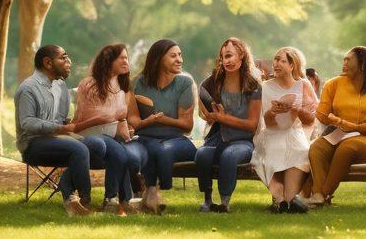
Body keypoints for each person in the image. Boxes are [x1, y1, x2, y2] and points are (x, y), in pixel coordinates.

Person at [14, 44, 92, 216]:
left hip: (57, 139)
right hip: (32, 144)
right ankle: (84, 201)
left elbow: (62, 118)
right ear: (48, 63)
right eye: (63, 58)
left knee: (97, 145)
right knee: (78, 149)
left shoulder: (60, 86)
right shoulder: (28, 88)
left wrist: (70, 123)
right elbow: (27, 122)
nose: (69, 61)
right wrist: (59, 128)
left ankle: (68, 190)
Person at [308, 46, 366, 207]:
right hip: (337, 136)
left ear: (362, 64)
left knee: (347, 147)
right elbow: (321, 115)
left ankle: (322, 194)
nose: (343, 63)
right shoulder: (333, 84)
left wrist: (345, 124)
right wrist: (333, 120)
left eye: (348, 60)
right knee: (317, 147)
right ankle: (318, 195)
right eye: (343, 59)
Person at [74, 43, 147, 215]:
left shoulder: (120, 89)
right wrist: (115, 118)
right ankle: (115, 200)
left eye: (127, 57)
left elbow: (119, 120)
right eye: (122, 57)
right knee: (119, 153)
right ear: (109, 60)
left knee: (127, 153)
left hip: (109, 137)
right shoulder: (89, 84)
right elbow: (89, 116)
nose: (126, 61)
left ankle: (119, 200)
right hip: (90, 135)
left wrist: (127, 133)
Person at [127, 38, 196, 213]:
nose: (179, 59)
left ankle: (156, 190)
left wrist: (161, 120)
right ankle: (151, 194)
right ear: (158, 59)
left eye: (180, 55)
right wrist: (147, 122)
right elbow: (133, 120)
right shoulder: (137, 82)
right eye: (173, 56)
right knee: (148, 147)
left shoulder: (184, 83)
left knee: (162, 149)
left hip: (177, 140)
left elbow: (187, 125)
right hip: (145, 138)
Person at [194, 37, 261, 213]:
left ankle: (224, 203)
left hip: (243, 141)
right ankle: (207, 200)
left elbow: (252, 125)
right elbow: (203, 110)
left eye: (230, 56)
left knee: (230, 155)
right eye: (223, 57)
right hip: (217, 137)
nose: (226, 61)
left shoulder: (254, 86)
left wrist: (223, 118)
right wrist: (208, 116)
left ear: (242, 55)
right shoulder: (212, 82)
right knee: (202, 154)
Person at [252, 46, 318, 213]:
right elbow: (268, 123)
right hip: (272, 133)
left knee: (301, 150)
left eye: (282, 61)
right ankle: (282, 199)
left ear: (292, 65)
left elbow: (311, 119)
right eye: (275, 59)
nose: (277, 63)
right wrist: (272, 112)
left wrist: (296, 110)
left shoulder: (303, 85)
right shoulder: (265, 87)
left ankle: (287, 199)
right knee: (277, 148)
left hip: (295, 132)